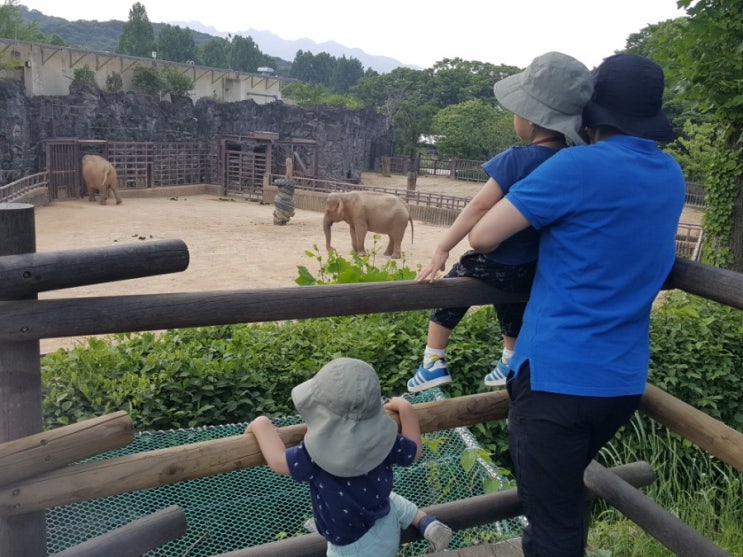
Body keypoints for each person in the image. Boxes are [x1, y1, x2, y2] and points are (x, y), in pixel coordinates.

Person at [467, 54, 685, 557]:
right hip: (621, 382)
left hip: (554, 381)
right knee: (560, 509)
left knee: (552, 531)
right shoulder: (669, 174)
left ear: (593, 109)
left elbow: (483, 234)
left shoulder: (575, 165)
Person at [407, 52, 594, 393]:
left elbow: (479, 206)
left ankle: (433, 360)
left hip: (498, 260)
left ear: (532, 120)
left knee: (454, 286)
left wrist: (443, 247)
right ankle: (509, 357)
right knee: (512, 304)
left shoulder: (516, 159)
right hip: (535, 267)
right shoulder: (572, 161)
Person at [246, 357, 453, 556]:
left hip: (350, 548)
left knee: (381, 502)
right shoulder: (384, 439)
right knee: (390, 499)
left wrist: (261, 424)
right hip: (386, 525)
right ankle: (425, 522)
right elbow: (414, 452)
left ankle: (323, 522)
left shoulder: (314, 454)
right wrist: (406, 409)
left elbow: (278, 461)